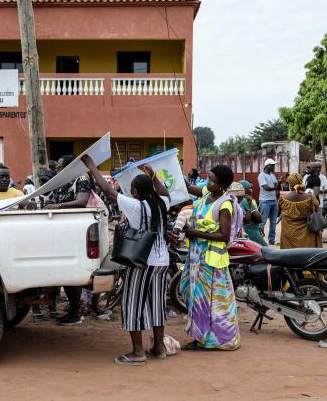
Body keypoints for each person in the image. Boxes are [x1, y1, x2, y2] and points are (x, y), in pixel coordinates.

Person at [82, 155, 171, 365]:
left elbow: (108, 191)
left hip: (141, 262)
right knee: (157, 305)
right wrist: (153, 175)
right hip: (162, 262)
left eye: (132, 187)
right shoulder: (162, 203)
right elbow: (165, 192)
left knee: (134, 305)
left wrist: (92, 167)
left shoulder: (137, 206)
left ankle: (138, 352)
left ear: (136, 191)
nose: (130, 190)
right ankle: (159, 348)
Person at [181, 165, 241, 351]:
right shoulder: (208, 193)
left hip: (209, 259)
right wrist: (171, 166)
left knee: (208, 299)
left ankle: (207, 339)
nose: (207, 183)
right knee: (197, 296)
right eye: (208, 178)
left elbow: (224, 235)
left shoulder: (224, 204)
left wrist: (196, 233)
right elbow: (188, 188)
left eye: (211, 180)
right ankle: (204, 336)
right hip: (197, 257)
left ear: (222, 185)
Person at [44, 155, 92, 326]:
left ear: (69, 167)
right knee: (65, 274)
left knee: (73, 274)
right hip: (62, 232)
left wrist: (57, 206)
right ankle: (73, 310)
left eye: (59, 167)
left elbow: (82, 201)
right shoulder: (61, 182)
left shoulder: (80, 179)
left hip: (75, 232)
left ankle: (76, 312)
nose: (56, 170)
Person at [278, 173, 322, 248]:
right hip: (307, 233)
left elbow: (279, 210)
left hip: (289, 233)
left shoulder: (283, 198)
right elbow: (317, 207)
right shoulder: (310, 197)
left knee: (289, 255)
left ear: (290, 184)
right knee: (307, 254)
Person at [238, 180, 267, 246]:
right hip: (251, 232)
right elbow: (259, 218)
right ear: (244, 189)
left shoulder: (238, 200)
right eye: (250, 188)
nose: (251, 190)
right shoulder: (246, 201)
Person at [258, 158, 280, 245]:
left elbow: (276, 184)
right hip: (265, 201)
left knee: (273, 222)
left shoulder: (272, 175)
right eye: (273, 165)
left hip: (274, 201)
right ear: (267, 166)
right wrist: (275, 187)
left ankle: (271, 240)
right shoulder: (261, 175)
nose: (274, 167)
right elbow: (266, 187)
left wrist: (278, 183)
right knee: (262, 222)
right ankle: (259, 240)